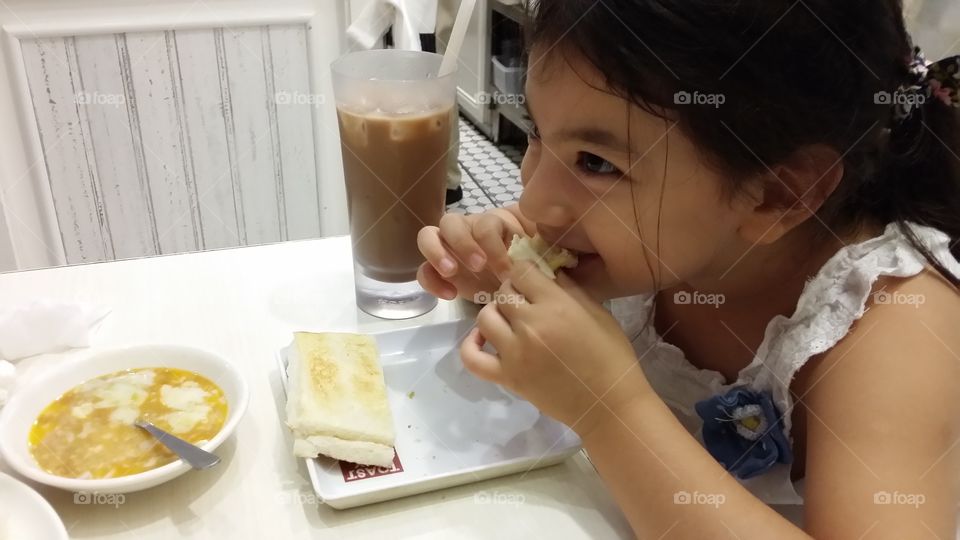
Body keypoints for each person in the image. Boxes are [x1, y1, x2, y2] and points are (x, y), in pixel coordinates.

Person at [416, 0, 960, 537]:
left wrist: (611, 409)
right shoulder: (647, 247)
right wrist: (497, 285)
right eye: (537, 131)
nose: (533, 201)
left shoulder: (891, 323)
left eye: (597, 163)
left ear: (777, 195)